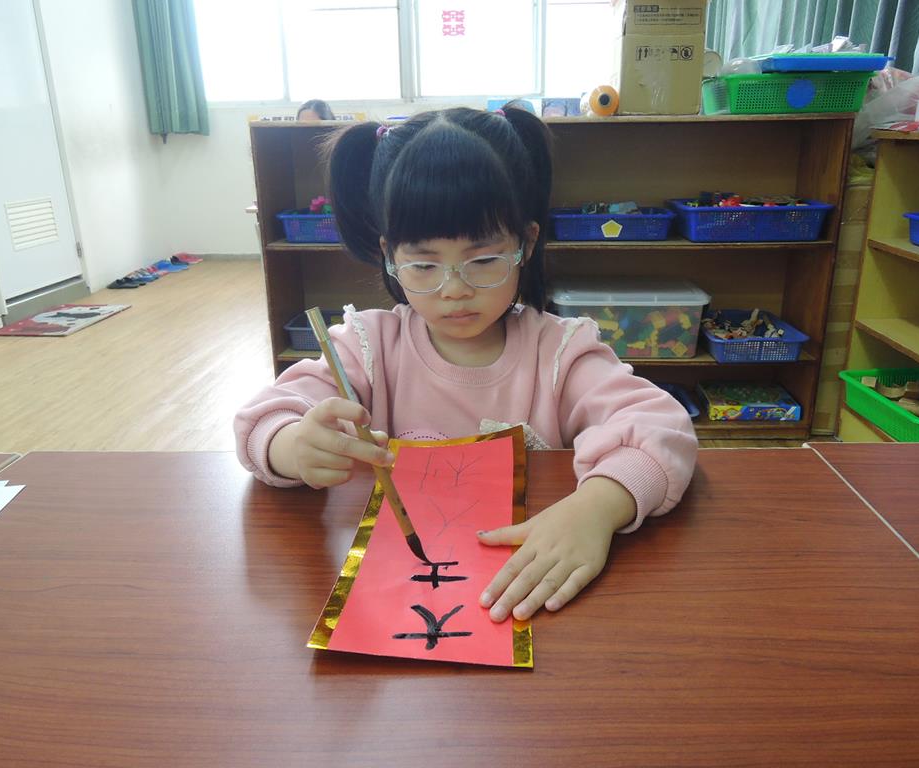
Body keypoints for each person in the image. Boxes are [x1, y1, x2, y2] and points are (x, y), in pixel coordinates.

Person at [235, 106, 698, 623]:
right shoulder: (368, 346)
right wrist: (293, 446)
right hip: (404, 600)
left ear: (526, 244)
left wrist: (597, 509)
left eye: (483, 260)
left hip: (528, 599)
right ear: (389, 255)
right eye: (423, 264)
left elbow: (661, 425)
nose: (454, 289)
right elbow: (264, 417)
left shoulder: (559, 352)